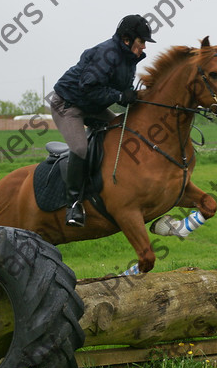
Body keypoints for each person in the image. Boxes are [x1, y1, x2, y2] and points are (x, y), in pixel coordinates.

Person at [50, 14, 155, 227]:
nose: (144, 46)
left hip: (91, 105)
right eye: (141, 41)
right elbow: (88, 88)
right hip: (68, 105)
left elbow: (116, 91)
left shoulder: (128, 58)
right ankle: (73, 204)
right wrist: (119, 97)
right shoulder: (107, 54)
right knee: (80, 149)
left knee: (123, 132)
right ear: (127, 39)